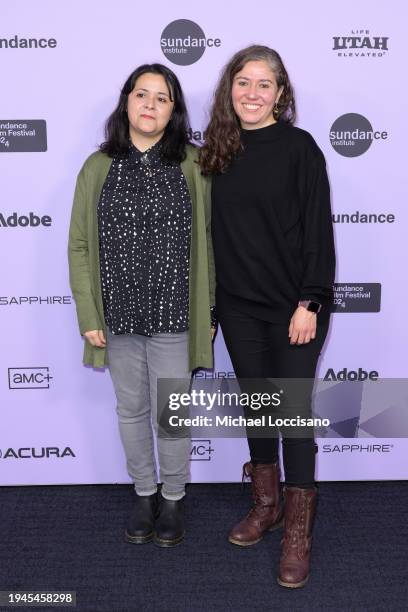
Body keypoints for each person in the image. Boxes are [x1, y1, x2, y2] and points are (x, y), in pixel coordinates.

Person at [199, 45, 335, 587]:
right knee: (259, 411)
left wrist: (312, 301)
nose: (252, 93)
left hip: (293, 309)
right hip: (238, 308)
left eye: (264, 84)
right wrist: (210, 309)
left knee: (294, 417)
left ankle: (299, 533)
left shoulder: (301, 149)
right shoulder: (216, 151)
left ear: (281, 93)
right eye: (243, 82)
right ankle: (267, 505)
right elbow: (210, 241)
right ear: (229, 89)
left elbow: (319, 232)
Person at [68, 63, 215, 548]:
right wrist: (89, 316)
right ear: (126, 102)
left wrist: (208, 313)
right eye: (141, 94)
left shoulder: (194, 165)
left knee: (170, 413)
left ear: (174, 111)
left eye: (162, 97)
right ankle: (145, 492)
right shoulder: (97, 167)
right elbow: (80, 247)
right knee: (130, 410)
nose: (150, 104)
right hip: (118, 316)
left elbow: (211, 244)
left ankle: (173, 497)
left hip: (175, 312)